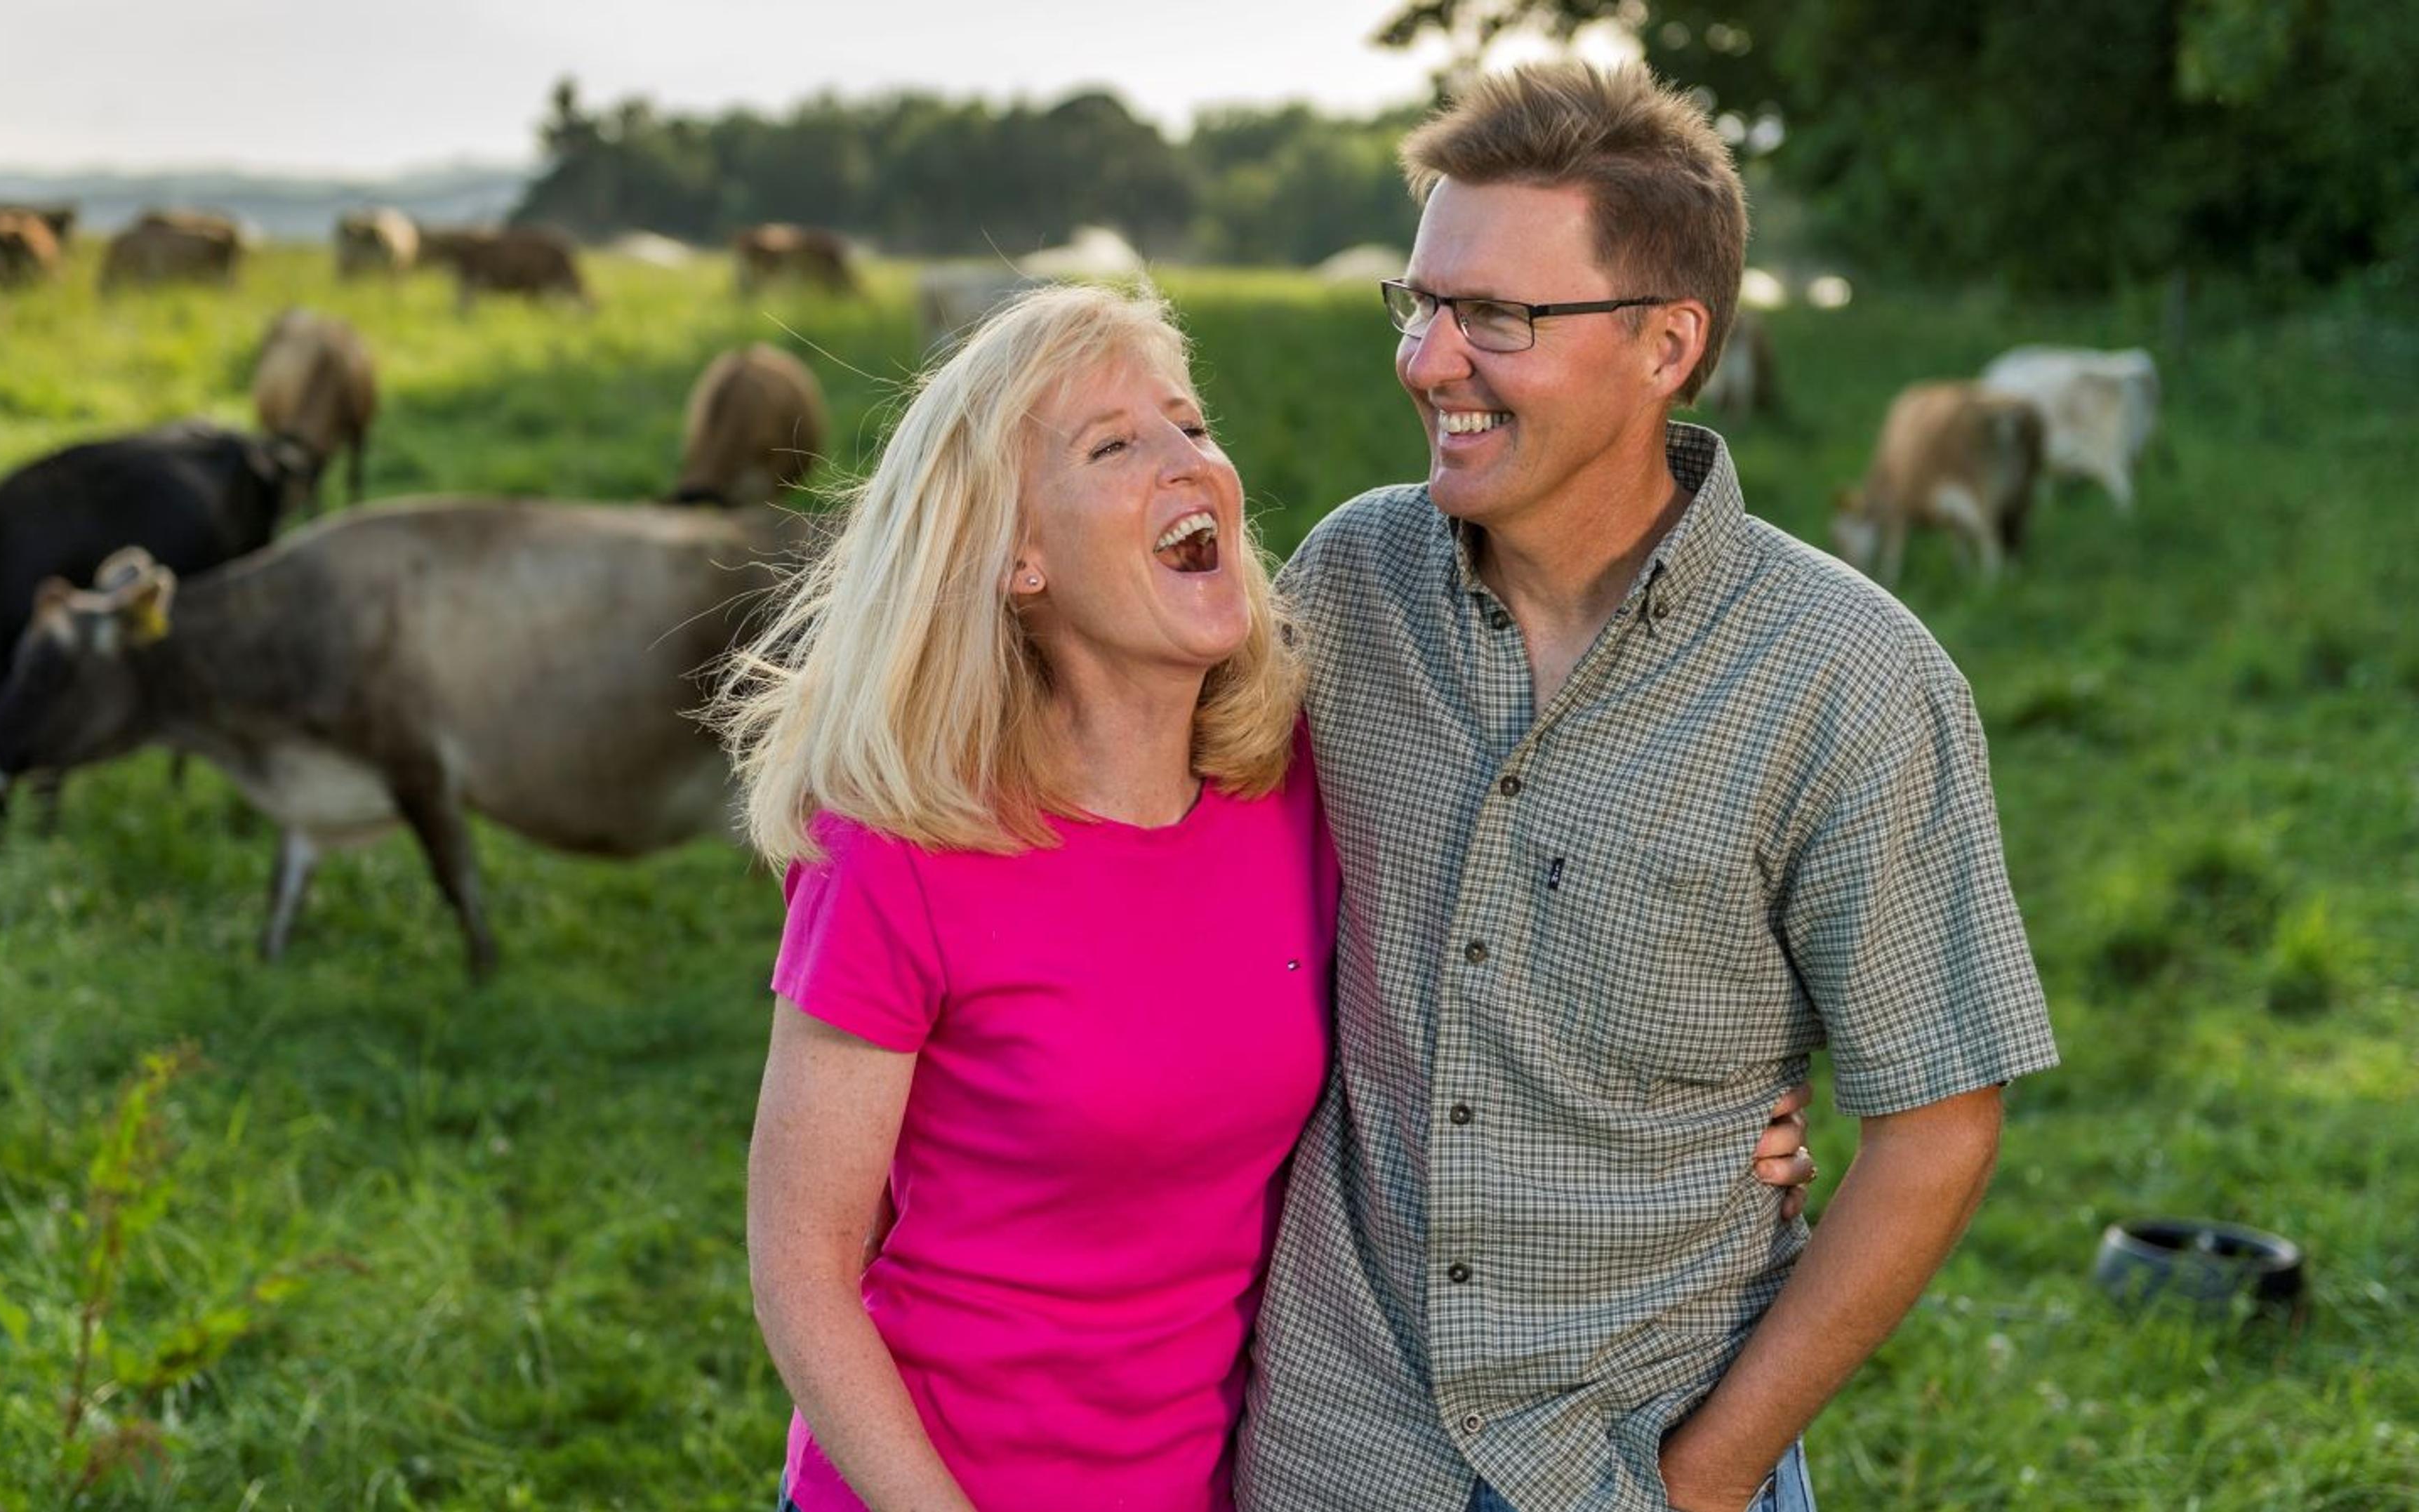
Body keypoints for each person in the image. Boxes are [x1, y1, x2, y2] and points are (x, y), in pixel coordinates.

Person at [721, 284, 1815, 1512]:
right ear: (1017, 557)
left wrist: (1714, 1117)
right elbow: (803, 1267)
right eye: (1114, 445)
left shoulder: (1297, 784)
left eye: (1191, 423)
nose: (1190, 460)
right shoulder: (901, 847)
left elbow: (1495, 972)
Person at [1234, 62, 2062, 1512]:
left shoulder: (1852, 678)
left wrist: (1710, 1476)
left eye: (1496, 316)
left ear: (1668, 343)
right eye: (1420, 303)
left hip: (1632, 1454)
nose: (1428, 360)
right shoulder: (1348, 586)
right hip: (1333, 1442)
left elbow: (1938, 1124)